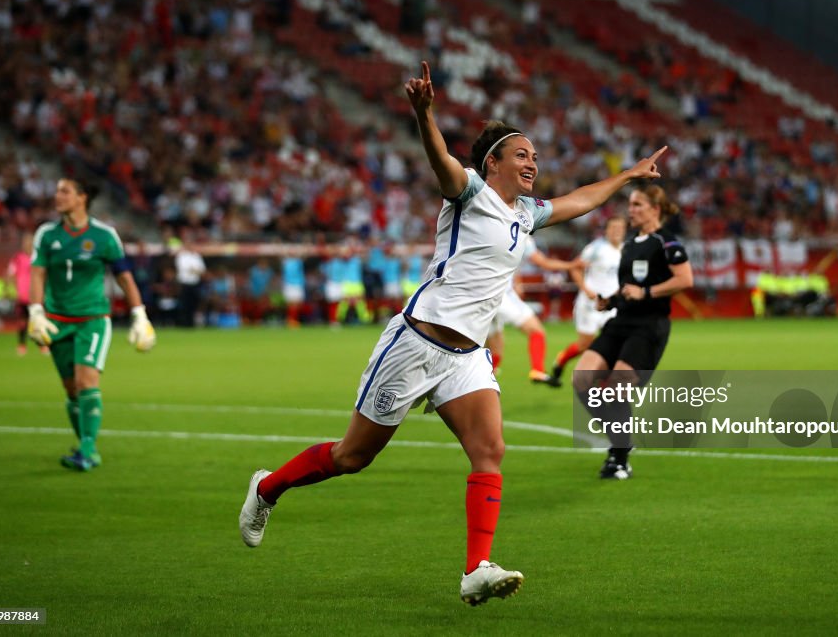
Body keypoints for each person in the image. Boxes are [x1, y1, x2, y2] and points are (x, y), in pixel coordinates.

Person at [238, 61, 667, 605]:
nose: (532, 162)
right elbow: (441, 161)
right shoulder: (468, 192)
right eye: (521, 154)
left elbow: (579, 200)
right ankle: (267, 487)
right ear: (493, 162)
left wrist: (627, 176)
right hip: (416, 345)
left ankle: (475, 569)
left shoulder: (525, 214)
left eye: (534, 156)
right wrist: (424, 114)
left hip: (467, 357)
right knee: (352, 457)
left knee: (490, 449)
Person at [27, 178, 157, 471]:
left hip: (93, 320)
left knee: (87, 381)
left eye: (65, 191)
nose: (57, 196)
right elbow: (37, 274)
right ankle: (85, 444)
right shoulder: (46, 235)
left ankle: (88, 451)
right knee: (72, 390)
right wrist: (36, 312)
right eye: (57, 190)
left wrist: (139, 314)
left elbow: (124, 277)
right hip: (57, 321)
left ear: (82, 197)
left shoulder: (104, 235)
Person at [572, 185, 693, 480]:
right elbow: (628, 289)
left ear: (655, 209)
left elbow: (685, 279)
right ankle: (622, 442)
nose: (632, 210)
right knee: (582, 378)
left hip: (649, 325)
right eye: (631, 204)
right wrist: (609, 300)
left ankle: (619, 456)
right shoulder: (628, 245)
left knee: (615, 390)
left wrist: (648, 291)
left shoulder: (667, 243)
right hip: (620, 321)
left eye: (638, 204)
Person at [485, 236, 580, 387]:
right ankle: (537, 370)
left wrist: (517, 282)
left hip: (480, 294)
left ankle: (479, 384)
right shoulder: (521, 233)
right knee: (536, 331)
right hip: (500, 295)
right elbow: (543, 262)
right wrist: (572, 265)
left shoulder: (491, 225)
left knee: (493, 346)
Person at [550, 216, 627, 382]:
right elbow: (575, 269)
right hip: (590, 304)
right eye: (613, 228)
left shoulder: (626, 250)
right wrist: (586, 290)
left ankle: (604, 387)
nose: (616, 231)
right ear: (606, 230)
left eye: (620, 228)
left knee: (614, 344)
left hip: (611, 305)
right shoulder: (595, 248)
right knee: (585, 345)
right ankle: (561, 361)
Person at [7, 232, 48, 355]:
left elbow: (44, 275)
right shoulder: (18, 258)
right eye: (26, 243)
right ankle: (22, 345)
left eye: (30, 242)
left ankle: (42, 346)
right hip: (23, 295)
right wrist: (13, 290)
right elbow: (11, 275)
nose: (28, 245)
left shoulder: (39, 257)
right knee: (23, 322)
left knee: (38, 320)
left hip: (36, 294)